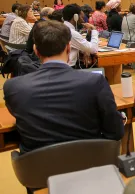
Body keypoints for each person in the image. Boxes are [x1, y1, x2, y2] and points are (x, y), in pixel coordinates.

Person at [4, 20, 124, 155]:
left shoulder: (12, 87)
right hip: (89, 164)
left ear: (36, 50)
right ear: (68, 48)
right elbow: (116, 132)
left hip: (37, 171)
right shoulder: (95, 82)